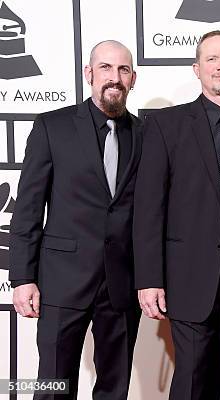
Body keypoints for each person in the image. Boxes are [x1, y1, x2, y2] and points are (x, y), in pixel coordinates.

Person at [133, 30, 220, 400]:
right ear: (197, 69)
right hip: (188, 276)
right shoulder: (166, 126)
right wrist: (149, 278)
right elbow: (149, 207)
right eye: (212, 59)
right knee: (192, 379)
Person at [9, 40, 142, 399]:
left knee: (115, 388)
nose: (114, 78)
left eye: (123, 70)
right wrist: (22, 277)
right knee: (54, 384)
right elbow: (28, 209)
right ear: (89, 74)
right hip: (61, 281)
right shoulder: (53, 127)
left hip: (122, 283)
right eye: (105, 68)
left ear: (133, 79)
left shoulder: (146, 135)